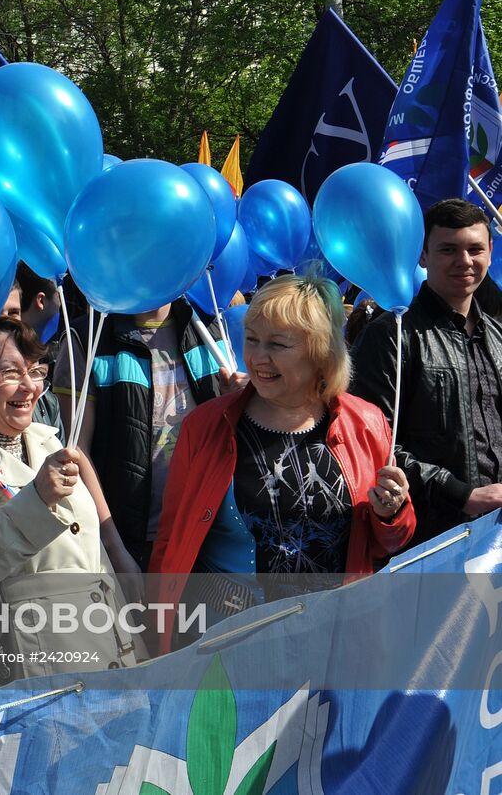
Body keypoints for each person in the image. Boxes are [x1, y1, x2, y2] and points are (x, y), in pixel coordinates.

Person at [151, 273, 415, 649]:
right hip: (227, 643)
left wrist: (391, 513)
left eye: (277, 344)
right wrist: (160, 645)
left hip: (332, 640)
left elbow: (387, 541)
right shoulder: (204, 427)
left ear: (320, 352)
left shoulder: (366, 422)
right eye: (252, 339)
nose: (258, 358)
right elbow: (171, 543)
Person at [0, 318, 141, 681]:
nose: (31, 387)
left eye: (37, 370)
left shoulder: (48, 440)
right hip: (34, 669)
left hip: (108, 652)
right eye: (10, 373)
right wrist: (37, 499)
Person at [352, 199, 502, 545]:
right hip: (430, 539)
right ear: (423, 255)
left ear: (490, 252)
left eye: (475, 249)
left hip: (493, 538)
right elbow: (374, 441)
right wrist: (462, 494)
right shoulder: (391, 335)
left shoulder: (496, 335)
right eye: (448, 249)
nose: (464, 261)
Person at [55, 297, 237, 568]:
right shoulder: (87, 337)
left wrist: (240, 401)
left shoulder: (210, 328)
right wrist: (114, 549)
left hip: (206, 536)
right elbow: (77, 451)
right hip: (130, 543)